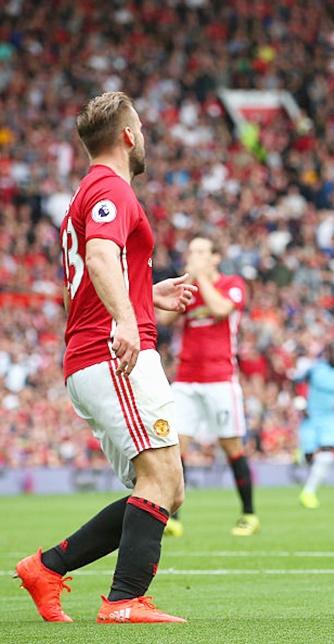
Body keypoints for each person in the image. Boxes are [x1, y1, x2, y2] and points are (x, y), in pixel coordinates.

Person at [15, 91, 196, 624]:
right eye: (141, 126)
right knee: (161, 480)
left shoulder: (88, 191)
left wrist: (146, 294)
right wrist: (125, 319)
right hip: (112, 354)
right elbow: (98, 255)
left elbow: (88, 278)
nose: (144, 135)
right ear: (128, 135)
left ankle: (46, 568)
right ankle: (123, 601)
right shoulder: (110, 189)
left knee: (167, 487)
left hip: (95, 351)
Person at [158, 237, 259, 537]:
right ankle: (174, 517)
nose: (194, 256)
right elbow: (163, 318)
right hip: (187, 378)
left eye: (201, 251)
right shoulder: (188, 287)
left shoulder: (232, 283)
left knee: (232, 448)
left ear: (215, 257)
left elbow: (221, 310)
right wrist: (182, 290)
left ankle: (249, 514)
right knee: (175, 448)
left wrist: (200, 278)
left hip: (220, 379)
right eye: (191, 251)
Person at [296, 343, 334, 509]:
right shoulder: (315, 369)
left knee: (328, 455)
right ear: (327, 353)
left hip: (330, 418)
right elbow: (296, 384)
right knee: (309, 458)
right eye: (332, 351)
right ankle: (300, 456)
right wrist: (300, 404)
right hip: (311, 417)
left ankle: (308, 493)